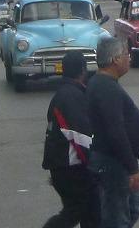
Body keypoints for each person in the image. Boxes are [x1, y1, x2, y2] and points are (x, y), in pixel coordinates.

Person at [87, 36, 139, 228]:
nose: (129, 58)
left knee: (135, 206)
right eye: (126, 54)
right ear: (115, 59)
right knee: (116, 217)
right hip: (111, 162)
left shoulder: (107, 83)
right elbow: (115, 130)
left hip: (116, 161)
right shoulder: (105, 87)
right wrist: (133, 169)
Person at [42, 50, 98, 228]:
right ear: (82, 70)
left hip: (61, 167)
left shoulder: (63, 93)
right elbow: (81, 137)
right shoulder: (72, 96)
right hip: (71, 168)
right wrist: (98, 165)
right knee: (77, 210)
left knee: (88, 211)